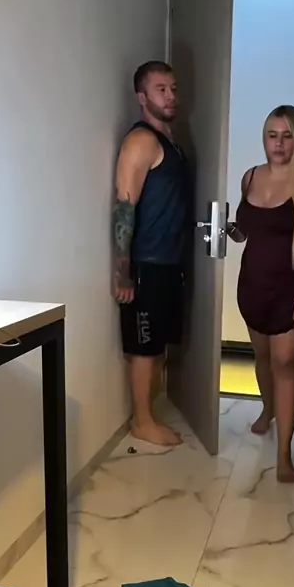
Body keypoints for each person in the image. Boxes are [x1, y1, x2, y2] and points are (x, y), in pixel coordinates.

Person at [228, 105, 294, 483]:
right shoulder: (250, 177)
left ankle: (284, 452)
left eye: (287, 136)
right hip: (253, 285)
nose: (279, 143)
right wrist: (228, 230)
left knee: (285, 362)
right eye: (272, 135)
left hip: (292, 288)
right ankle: (267, 408)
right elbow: (247, 231)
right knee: (262, 356)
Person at [113, 61, 189, 447]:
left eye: (173, 88)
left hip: (169, 263)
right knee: (144, 348)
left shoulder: (169, 141)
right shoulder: (141, 141)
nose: (171, 96)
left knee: (159, 345)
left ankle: (149, 415)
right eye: (161, 89)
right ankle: (142, 422)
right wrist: (123, 271)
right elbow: (124, 209)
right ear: (142, 97)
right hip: (147, 263)